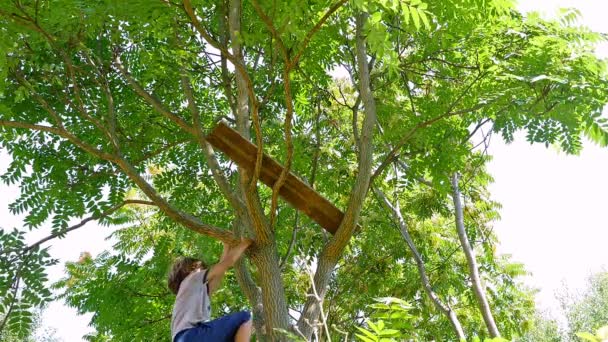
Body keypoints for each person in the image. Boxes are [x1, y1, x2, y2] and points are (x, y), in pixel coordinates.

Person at [168, 238, 254, 342]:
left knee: (236, 334)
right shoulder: (192, 278)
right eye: (202, 268)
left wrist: (226, 246)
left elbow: (220, 273)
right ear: (194, 267)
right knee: (245, 317)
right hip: (192, 335)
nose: (205, 271)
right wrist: (247, 242)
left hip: (187, 338)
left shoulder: (196, 291)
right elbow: (228, 262)